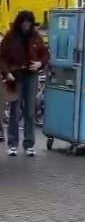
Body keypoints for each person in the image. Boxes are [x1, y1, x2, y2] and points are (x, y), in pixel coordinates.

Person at [1, 11, 50, 157]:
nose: (26, 25)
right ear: (19, 22)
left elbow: (45, 53)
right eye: (24, 22)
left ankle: (29, 144)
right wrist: (6, 72)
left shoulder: (35, 36)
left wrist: (40, 63)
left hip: (31, 75)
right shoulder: (11, 36)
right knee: (15, 110)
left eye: (29, 22)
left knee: (29, 110)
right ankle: (13, 144)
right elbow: (1, 56)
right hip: (16, 75)